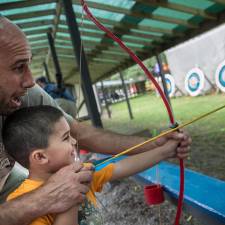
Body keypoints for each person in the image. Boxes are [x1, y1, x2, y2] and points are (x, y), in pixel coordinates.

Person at [0, 15, 191, 225]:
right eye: (18, 67)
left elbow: (112, 161)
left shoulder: (75, 174)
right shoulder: (38, 194)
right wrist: (59, 198)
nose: (30, 81)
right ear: (40, 157)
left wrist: (163, 146)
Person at [3, 105, 189, 225]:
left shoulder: (81, 174)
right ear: (41, 157)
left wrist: (166, 150)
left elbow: (121, 167)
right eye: (66, 138)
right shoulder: (24, 202)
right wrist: (69, 197)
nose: (75, 141)